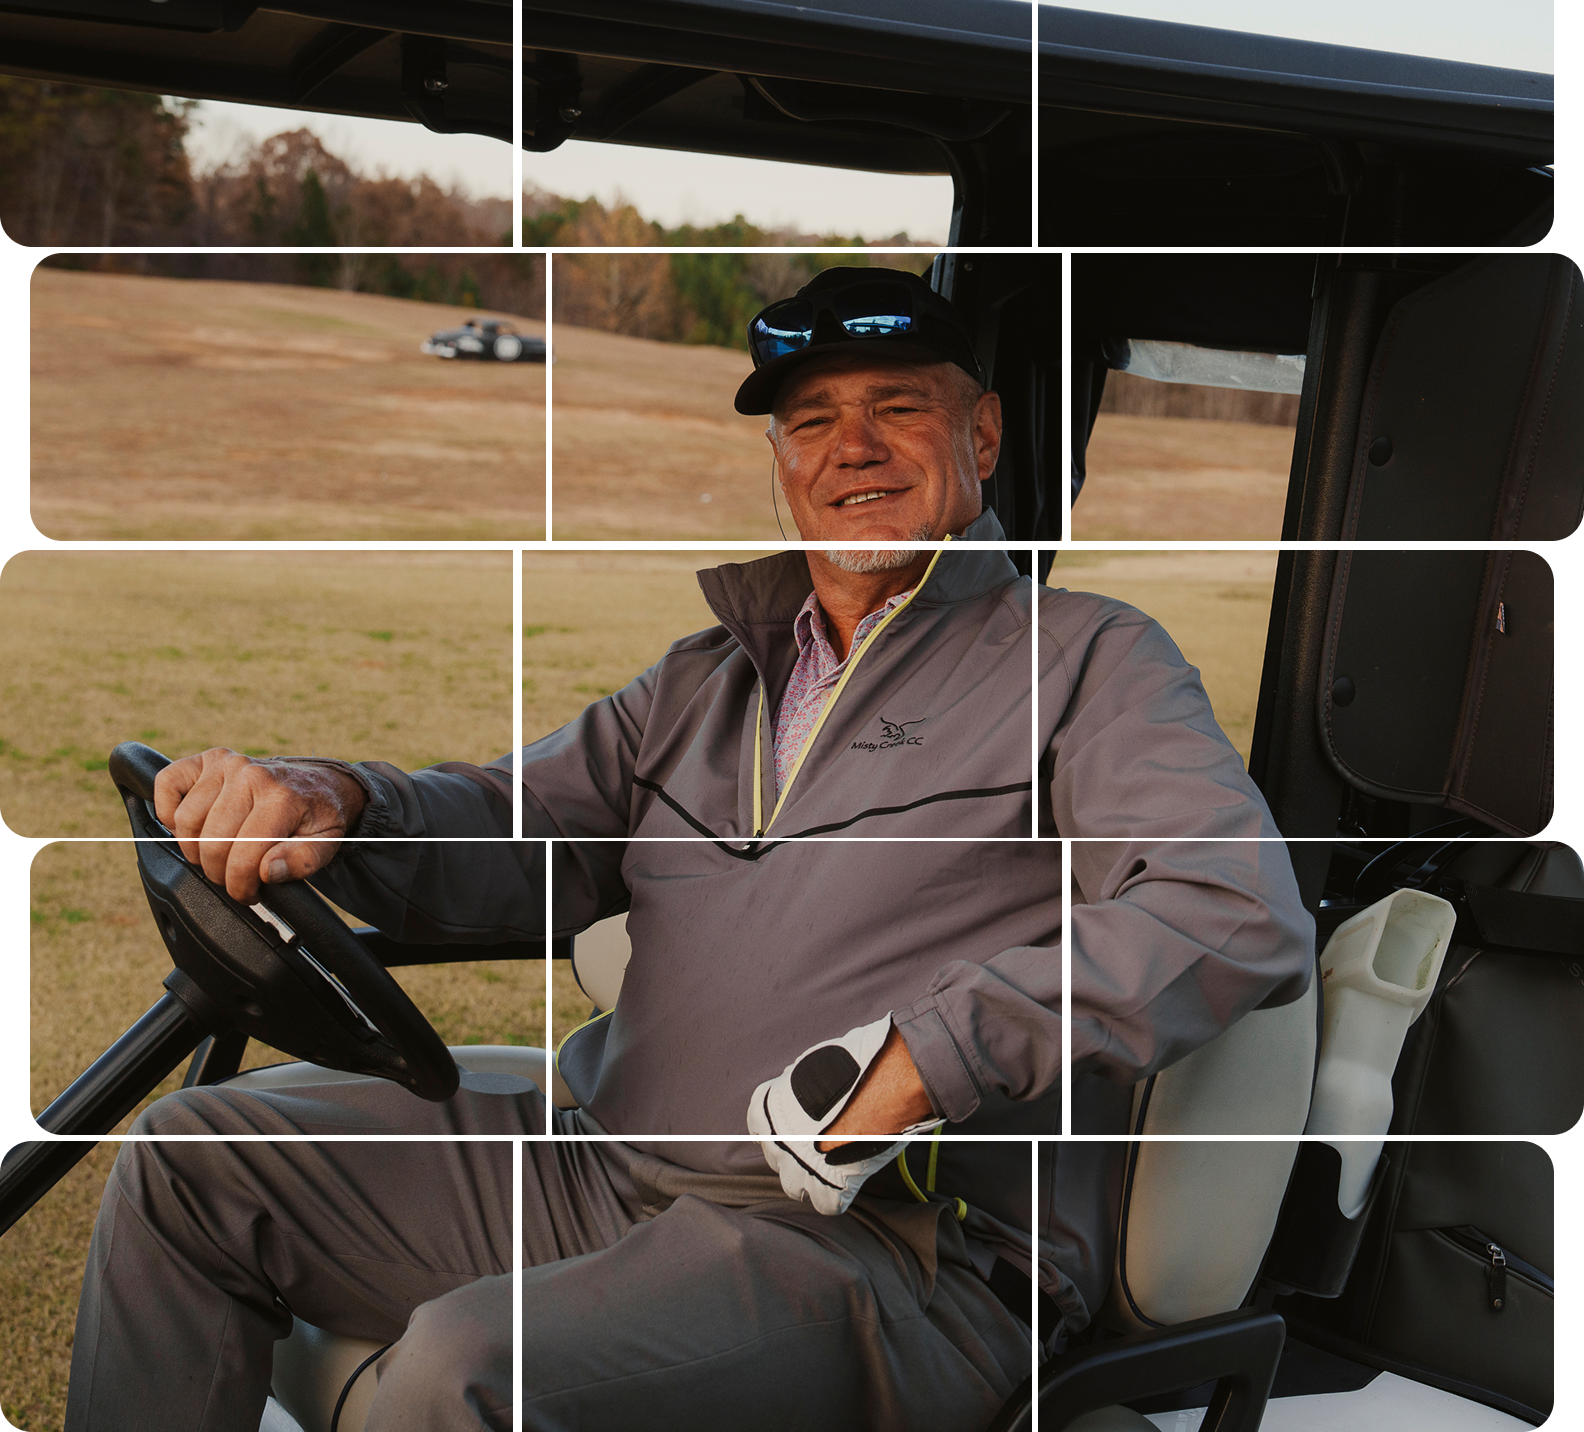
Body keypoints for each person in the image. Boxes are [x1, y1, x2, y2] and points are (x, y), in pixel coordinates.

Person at [66, 267, 1314, 1432]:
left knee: (463, 1369)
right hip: (602, 1168)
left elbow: (1228, 909)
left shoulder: (1088, 660)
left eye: (898, 409)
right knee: (194, 1161)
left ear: (980, 437)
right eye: (812, 422)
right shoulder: (706, 680)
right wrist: (333, 798)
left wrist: (925, 1058)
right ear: (781, 461)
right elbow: (521, 830)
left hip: (881, 1250)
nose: (854, 447)